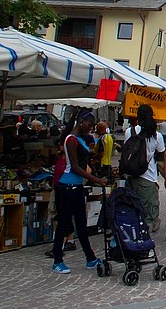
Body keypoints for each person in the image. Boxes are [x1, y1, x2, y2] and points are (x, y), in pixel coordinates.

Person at [49, 110, 107, 274]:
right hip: (68, 186)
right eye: (89, 124)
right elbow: (75, 167)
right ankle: (57, 260)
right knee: (64, 224)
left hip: (77, 186)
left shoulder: (80, 139)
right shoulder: (71, 140)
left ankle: (90, 258)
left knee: (81, 224)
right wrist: (96, 180)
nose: (91, 128)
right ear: (81, 122)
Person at [125, 104, 166, 232]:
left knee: (132, 204)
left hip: (131, 174)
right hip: (148, 176)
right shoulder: (156, 135)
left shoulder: (130, 131)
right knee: (148, 207)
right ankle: (144, 232)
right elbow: (161, 153)